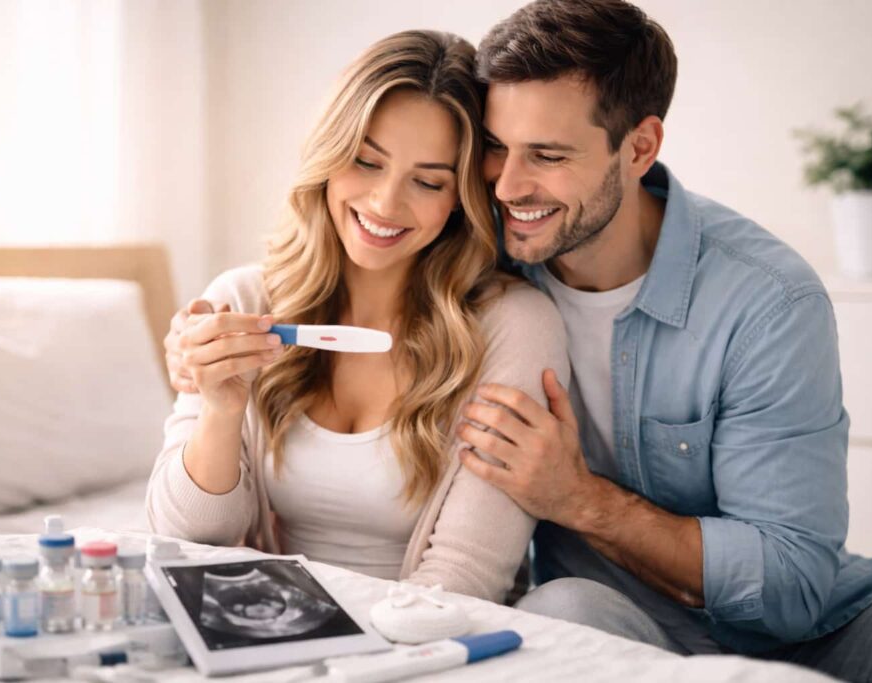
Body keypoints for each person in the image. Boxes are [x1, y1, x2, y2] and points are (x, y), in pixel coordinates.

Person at [166, 4, 872, 681]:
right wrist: (203, 379)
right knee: (563, 610)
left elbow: (795, 583)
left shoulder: (764, 300)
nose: (505, 187)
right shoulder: (481, 255)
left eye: (547, 155)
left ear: (638, 148)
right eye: (497, 150)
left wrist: (577, 499)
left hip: (813, 627)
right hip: (595, 611)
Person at [146, 29, 568, 605]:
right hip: (269, 630)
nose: (385, 204)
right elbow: (188, 539)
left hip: (418, 638)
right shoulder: (243, 300)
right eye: (366, 162)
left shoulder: (511, 325)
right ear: (328, 156)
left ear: (460, 198)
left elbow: (467, 574)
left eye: (427, 181)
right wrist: (221, 410)